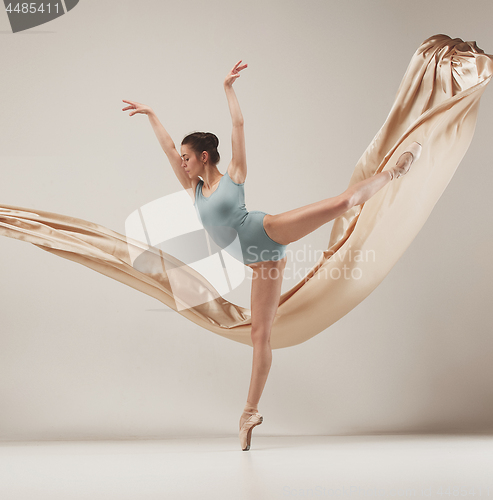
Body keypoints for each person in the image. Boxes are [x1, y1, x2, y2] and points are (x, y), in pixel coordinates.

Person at [122, 60, 422, 451]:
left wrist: (228, 90)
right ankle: (249, 411)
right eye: (181, 157)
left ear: (205, 157)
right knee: (261, 335)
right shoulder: (191, 188)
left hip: (266, 230)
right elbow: (165, 148)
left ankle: (396, 172)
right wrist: (152, 115)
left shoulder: (234, 175)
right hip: (262, 263)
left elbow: (238, 129)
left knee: (343, 201)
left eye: (187, 156)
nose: (181, 161)